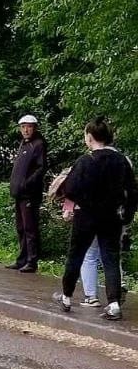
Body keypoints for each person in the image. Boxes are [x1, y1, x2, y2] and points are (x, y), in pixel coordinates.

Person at [53, 118, 138, 321]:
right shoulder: (121, 161)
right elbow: (132, 191)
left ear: (89, 137)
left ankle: (66, 296)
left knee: (76, 255)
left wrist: (83, 200)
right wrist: (128, 214)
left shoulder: (85, 161)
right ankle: (114, 304)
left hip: (87, 216)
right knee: (110, 258)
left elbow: (71, 189)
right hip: (111, 216)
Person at [7, 114, 47, 272]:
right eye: (23, 127)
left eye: (29, 126)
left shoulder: (38, 145)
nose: (25, 130)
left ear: (34, 128)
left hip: (29, 194)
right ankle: (22, 259)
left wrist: (27, 184)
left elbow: (41, 168)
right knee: (21, 227)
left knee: (30, 228)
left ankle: (32, 261)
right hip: (19, 193)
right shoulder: (23, 144)